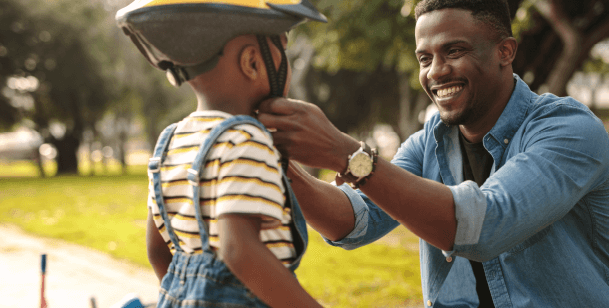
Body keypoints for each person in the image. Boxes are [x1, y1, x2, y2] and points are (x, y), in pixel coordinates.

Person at [256, 0, 609, 307]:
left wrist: (345, 152)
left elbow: (487, 225)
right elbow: (352, 219)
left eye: (454, 51)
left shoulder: (569, 130)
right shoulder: (430, 143)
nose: (435, 72)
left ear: (506, 51)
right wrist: (280, 165)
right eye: (425, 58)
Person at [115, 1, 327, 307]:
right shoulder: (246, 138)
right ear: (252, 61)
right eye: (284, 49)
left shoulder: (171, 140)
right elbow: (239, 251)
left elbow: (157, 251)